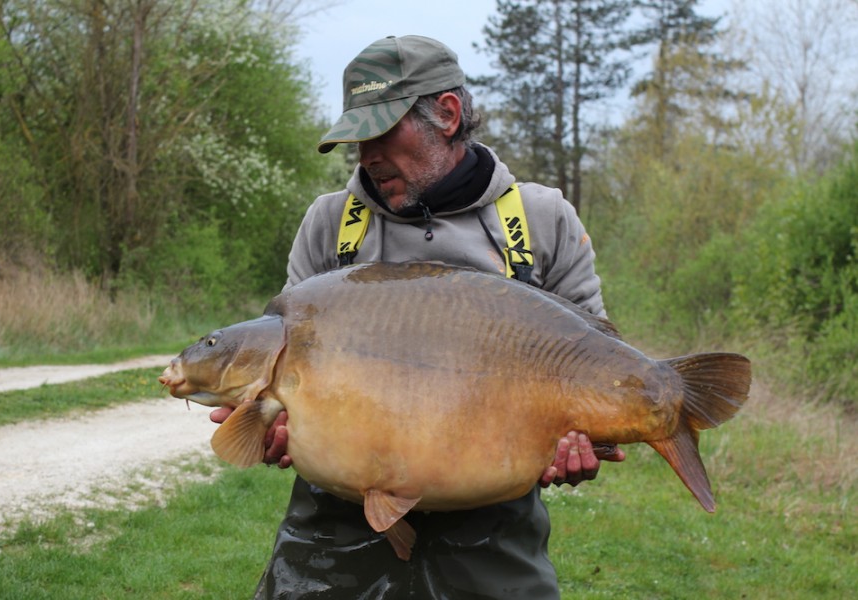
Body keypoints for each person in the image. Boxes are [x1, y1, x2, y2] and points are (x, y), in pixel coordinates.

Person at [211, 35, 626, 599]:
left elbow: (597, 362)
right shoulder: (331, 222)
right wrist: (273, 427)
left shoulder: (541, 219)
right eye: (358, 138)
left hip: (493, 530)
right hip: (335, 530)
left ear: (447, 115)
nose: (367, 155)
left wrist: (585, 442)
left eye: (382, 132)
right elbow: (283, 377)